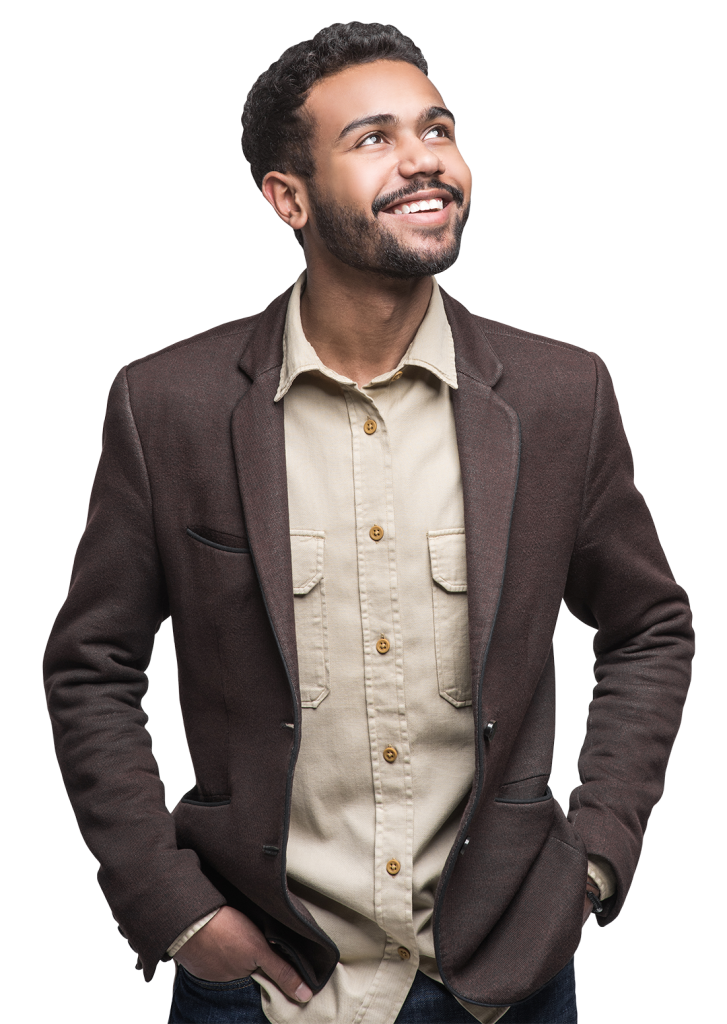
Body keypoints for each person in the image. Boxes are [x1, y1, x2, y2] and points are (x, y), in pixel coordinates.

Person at [41, 21, 695, 1024]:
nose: (424, 156)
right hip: (262, 977)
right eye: (375, 138)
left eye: (435, 128)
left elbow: (647, 625)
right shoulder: (167, 405)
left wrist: (595, 858)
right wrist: (171, 906)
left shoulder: (562, 396)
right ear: (287, 197)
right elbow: (91, 665)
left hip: (500, 975)